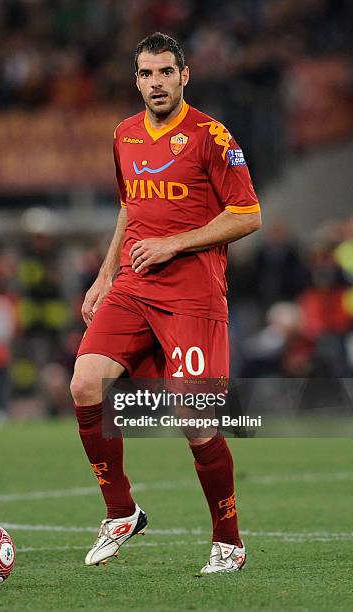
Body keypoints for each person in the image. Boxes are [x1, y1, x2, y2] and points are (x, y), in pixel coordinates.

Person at [70, 32, 261, 573]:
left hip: (193, 294)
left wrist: (174, 243)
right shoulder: (124, 135)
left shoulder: (211, 136)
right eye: (146, 74)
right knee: (85, 382)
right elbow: (130, 206)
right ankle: (120, 512)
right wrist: (105, 275)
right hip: (133, 286)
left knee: (193, 419)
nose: (155, 83)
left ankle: (229, 541)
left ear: (184, 76)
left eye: (165, 72)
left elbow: (248, 215)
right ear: (137, 80)